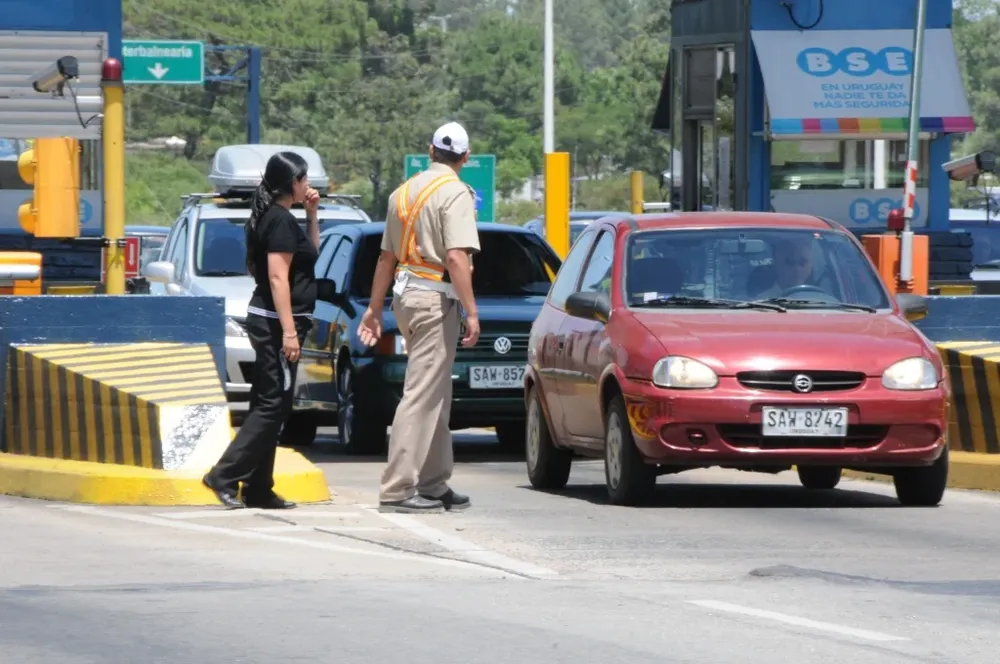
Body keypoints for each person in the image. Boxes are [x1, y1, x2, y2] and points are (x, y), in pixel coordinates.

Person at [358, 122, 481, 514]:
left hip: (405, 296)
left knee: (435, 394)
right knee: (421, 394)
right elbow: (456, 257)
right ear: (464, 157)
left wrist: (374, 309)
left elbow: (386, 258)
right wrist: (472, 311)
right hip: (434, 299)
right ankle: (397, 489)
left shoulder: (402, 193)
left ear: (430, 150)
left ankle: (432, 481)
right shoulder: (456, 193)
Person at [202, 151, 321, 510]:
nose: (307, 185)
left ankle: (257, 487)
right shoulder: (279, 220)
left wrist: (313, 215)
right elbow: (276, 277)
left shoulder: (278, 217)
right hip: (274, 323)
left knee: (270, 403)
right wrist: (289, 332)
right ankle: (222, 475)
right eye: (303, 179)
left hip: (272, 319)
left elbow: (311, 253)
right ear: (292, 183)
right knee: (272, 406)